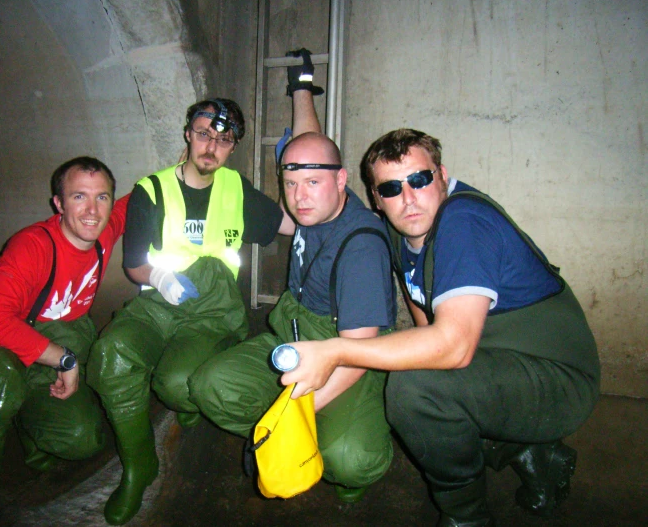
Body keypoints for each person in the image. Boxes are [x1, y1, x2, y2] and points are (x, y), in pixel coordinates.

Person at [281, 128, 601, 526]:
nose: (409, 198)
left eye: (419, 179)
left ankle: (466, 517)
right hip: (501, 364)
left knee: (415, 390)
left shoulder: (463, 221)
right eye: (392, 188)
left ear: (442, 176)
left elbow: (451, 347)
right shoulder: (405, 235)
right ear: (377, 201)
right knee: (418, 374)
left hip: (559, 377)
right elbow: (424, 321)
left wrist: (334, 351)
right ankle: (531, 452)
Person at [189, 49, 396, 503]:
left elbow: (359, 353)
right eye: (290, 183)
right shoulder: (312, 195)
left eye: (312, 183)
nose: (299, 197)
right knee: (209, 386)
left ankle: (341, 459)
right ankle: (302, 433)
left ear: (342, 181)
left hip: (348, 353)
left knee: (350, 457)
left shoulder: (359, 246)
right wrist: (301, 86)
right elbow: (309, 148)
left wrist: (280, 422)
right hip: (291, 336)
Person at [87, 97, 295, 525]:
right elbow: (134, 263)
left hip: (213, 312)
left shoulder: (238, 190)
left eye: (223, 139)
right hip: (159, 302)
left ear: (232, 147)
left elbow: (293, 223)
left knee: (178, 383)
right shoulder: (152, 189)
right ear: (188, 134)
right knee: (111, 354)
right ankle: (138, 466)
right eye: (204, 134)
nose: (211, 146)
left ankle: (189, 396)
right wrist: (161, 278)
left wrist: (337, 213)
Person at [0, 157, 128, 527]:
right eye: (79, 196)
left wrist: (192, 157)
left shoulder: (105, 229)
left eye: (102, 198)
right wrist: (63, 359)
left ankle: (27, 425)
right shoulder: (32, 246)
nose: (92, 210)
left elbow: (141, 199)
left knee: (84, 440)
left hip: (58, 348)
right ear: (59, 204)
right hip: (7, 351)